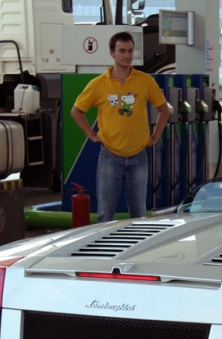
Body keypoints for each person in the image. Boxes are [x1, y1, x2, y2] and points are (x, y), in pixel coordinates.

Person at [70, 31, 170, 223]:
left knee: (139, 213)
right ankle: (103, 252)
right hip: (110, 156)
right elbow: (76, 111)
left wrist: (156, 135)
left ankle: (137, 251)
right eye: (122, 51)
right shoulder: (98, 84)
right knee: (105, 212)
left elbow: (164, 110)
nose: (127, 55)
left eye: (130, 51)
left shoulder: (145, 81)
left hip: (139, 156)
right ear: (112, 53)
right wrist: (91, 135)